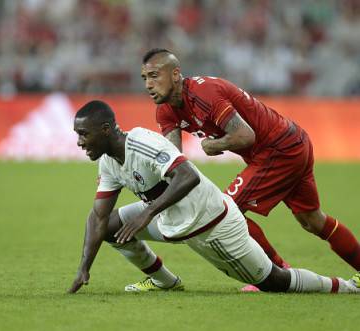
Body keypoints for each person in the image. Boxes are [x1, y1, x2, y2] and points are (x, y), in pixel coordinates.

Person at [68, 100, 360, 294]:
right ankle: (164, 281)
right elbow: (98, 216)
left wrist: (147, 213)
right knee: (109, 226)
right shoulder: (108, 161)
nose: (79, 142)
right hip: (172, 219)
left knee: (273, 281)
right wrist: (83, 269)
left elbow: (188, 175)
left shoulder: (142, 143)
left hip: (210, 223)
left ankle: (344, 287)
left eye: (83, 134)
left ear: (105, 130)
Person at [140, 48, 360, 291]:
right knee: (312, 220)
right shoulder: (165, 110)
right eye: (145, 78)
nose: (149, 84)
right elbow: (175, 160)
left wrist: (214, 144)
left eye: (154, 76)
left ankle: (279, 273)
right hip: (292, 143)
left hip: (279, 149)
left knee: (228, 210)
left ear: (175, 75)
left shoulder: (205, 93)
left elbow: (245, 136)